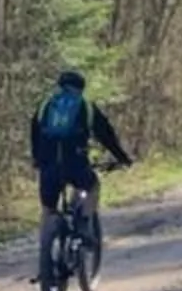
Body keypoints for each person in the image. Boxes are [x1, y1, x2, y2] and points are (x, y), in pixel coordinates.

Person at [29, 68, 131, 258]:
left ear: (60, 86)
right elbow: (106, 135)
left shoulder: (45, 106)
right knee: (92, 186)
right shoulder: (86, 107)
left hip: (49, 166)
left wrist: (37, 159)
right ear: (81, 88)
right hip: (75, 163)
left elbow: (35, 135)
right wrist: (122, 158)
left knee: (48, 208)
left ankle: (45, 253)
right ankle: (83, 223)